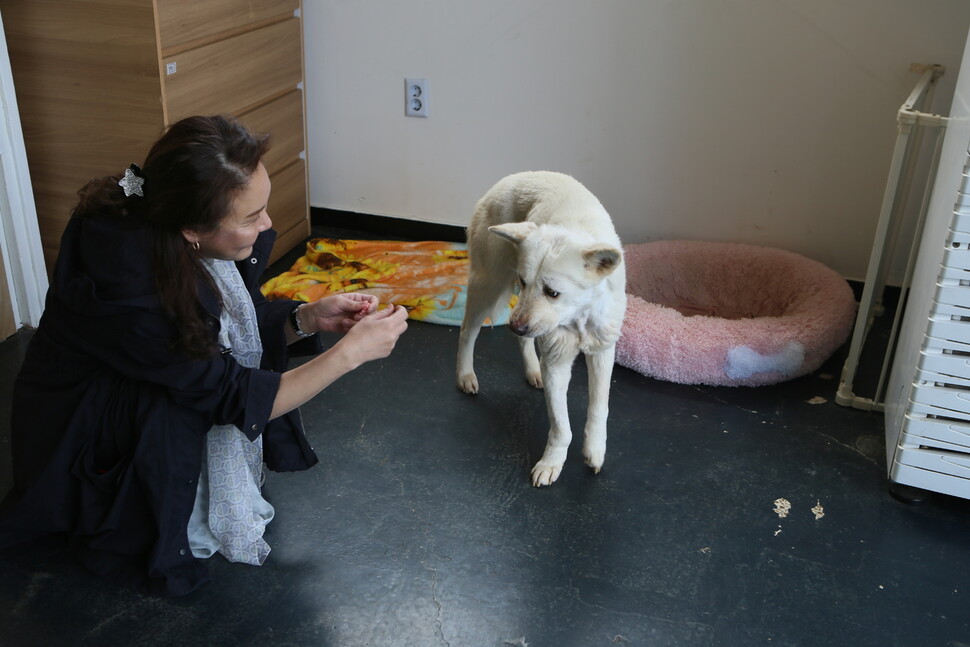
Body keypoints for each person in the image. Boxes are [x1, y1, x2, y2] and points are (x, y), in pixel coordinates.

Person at [0, 115, 409, 596]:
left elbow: (219, 325)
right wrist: (348, 356)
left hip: (134, 381)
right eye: (250, 218)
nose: (268, 223)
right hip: (84, 432)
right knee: (181, 415)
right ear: (192, 228)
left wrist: (307, 318)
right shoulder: (129, 282)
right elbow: (229, 394)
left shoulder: (161, 219)